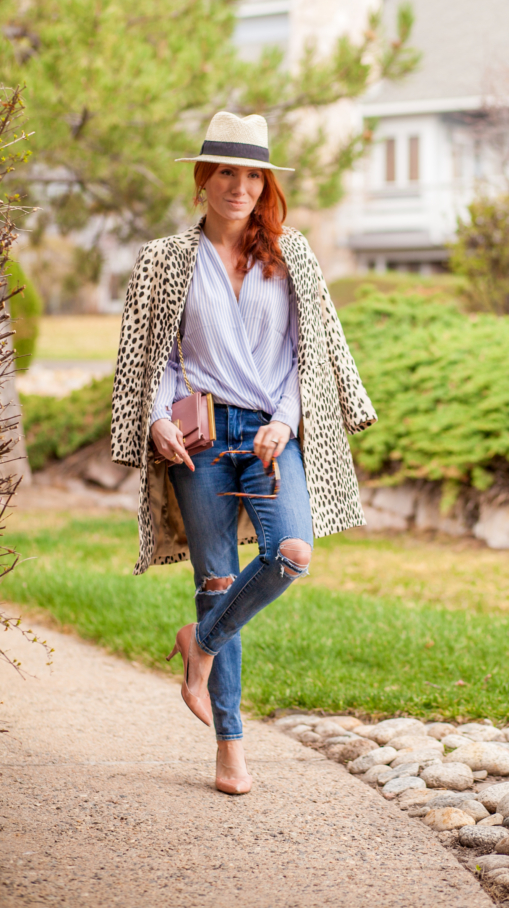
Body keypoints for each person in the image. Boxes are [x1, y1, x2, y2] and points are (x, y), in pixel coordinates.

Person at [111, 111, 376, 795]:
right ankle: (230, 748)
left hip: (266, 435)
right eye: (225, 170)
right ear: (204, 179)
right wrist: (153, 422)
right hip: (195, 441)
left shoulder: (292, 254)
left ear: (266, 184)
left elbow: (305, 355)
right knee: (218, 583)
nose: (239, 184)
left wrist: (286, 421)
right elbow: (151, 356)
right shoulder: (165, 258)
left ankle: (197, 644)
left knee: (291, 550)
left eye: (252, 172)